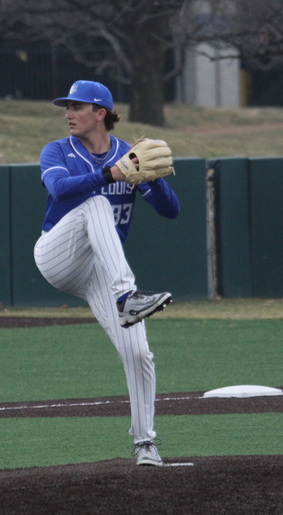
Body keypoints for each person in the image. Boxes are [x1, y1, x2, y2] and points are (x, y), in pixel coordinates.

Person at [33, 80, 180, 466]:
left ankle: (145, 443)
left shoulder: (128, 157)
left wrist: (151, 177)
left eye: (76, 107)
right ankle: (127, 297)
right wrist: (112, 174)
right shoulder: (57, 151)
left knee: (138, 352)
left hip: (100, 270)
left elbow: (171, 211)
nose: (67, 114)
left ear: (100, 113)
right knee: (96, 203)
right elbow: (61, 189)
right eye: (66, 106)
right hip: (57, 255)